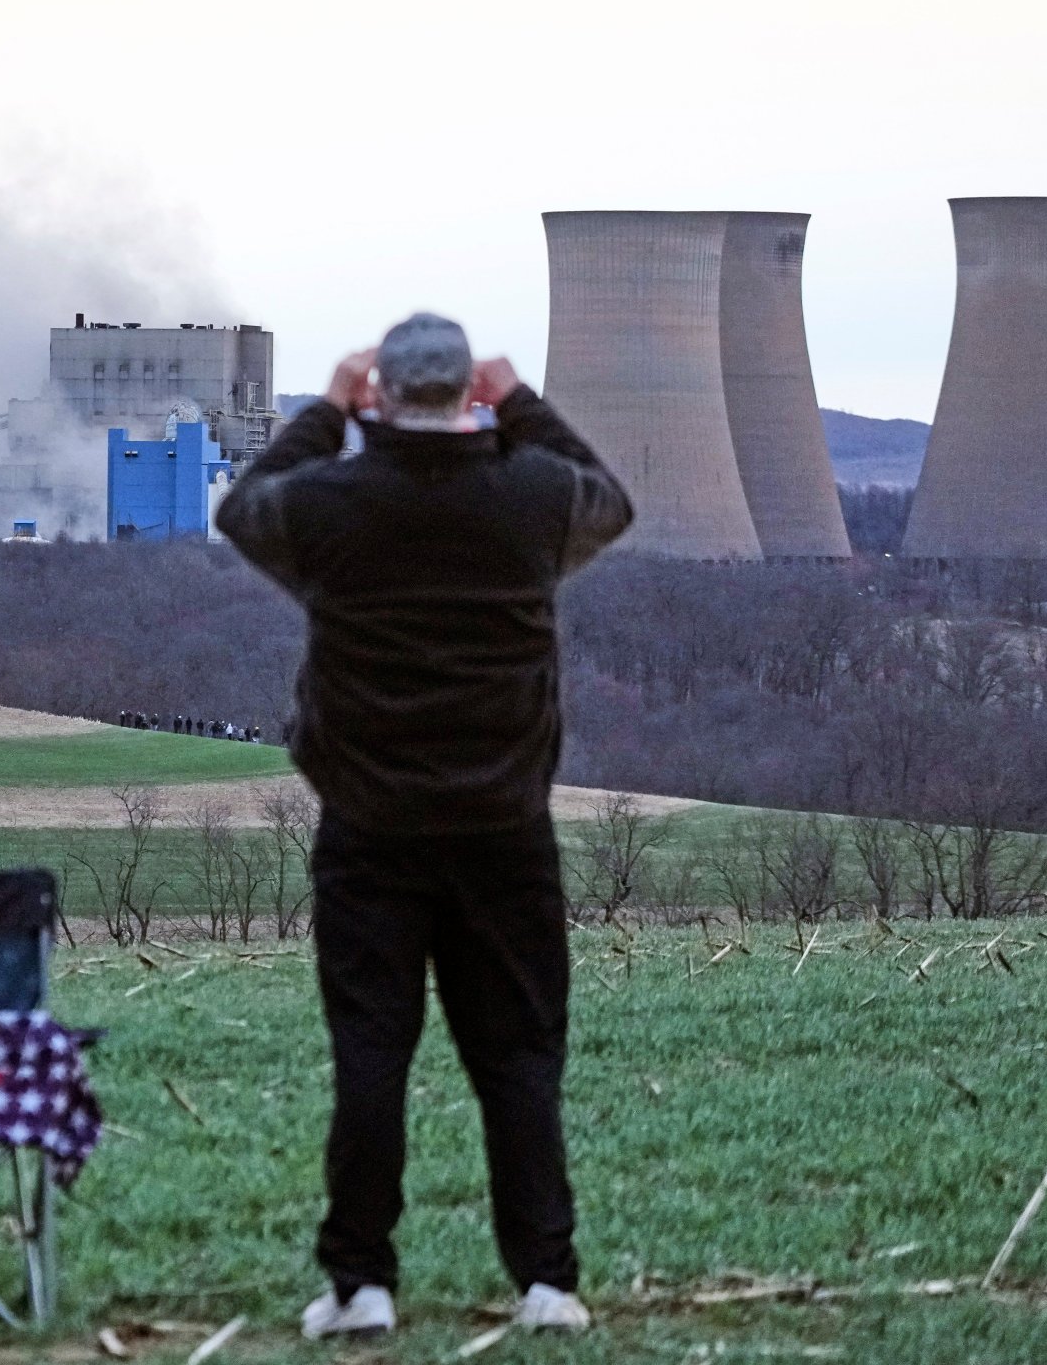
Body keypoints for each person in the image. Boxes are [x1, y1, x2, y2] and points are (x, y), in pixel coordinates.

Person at [215, 313, 632, 1341]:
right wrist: (521, 404)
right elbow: (609, 501)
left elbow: (240, 510)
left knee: (371, 1053)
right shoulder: (532, 497)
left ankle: (359, 1286)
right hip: (504, 827)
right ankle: (546, 1280)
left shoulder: (328, 503)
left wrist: (324, 410)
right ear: (469, 396)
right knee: (519, 1057)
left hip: (370, 828)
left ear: (382, 393)